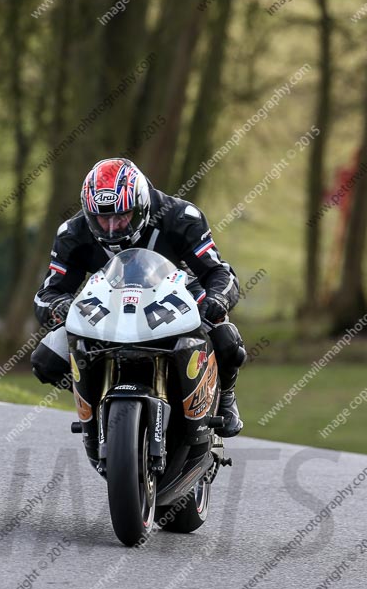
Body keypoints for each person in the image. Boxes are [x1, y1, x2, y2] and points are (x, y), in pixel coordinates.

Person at [31, 158, 245, 437]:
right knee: (46, 360)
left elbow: (219, 272)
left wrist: (217, 299)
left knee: (227, 339)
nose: (111, 227)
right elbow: (48, 292)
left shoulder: (181, 217)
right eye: (102, 218)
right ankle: (96, 401)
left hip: (177, 296)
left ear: (141, 206)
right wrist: (59, 306)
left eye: (121, 216)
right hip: (108, 304)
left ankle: (225, 398)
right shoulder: (73, 234)